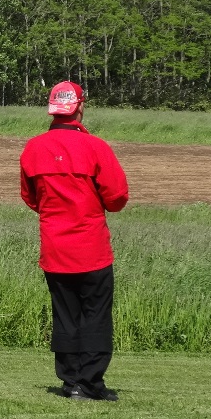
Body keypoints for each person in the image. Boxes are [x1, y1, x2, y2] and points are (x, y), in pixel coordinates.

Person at [19, 81, 129, 401]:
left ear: (53, 108)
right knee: (95, 315)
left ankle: (70, 382)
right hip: (91, 247)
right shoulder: (96, 147)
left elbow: (30, 197)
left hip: (55, 246)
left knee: (65, 316)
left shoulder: (33, 148)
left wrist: (55, 211)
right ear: (79, 106)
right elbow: (117, 198)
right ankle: (90, 382)